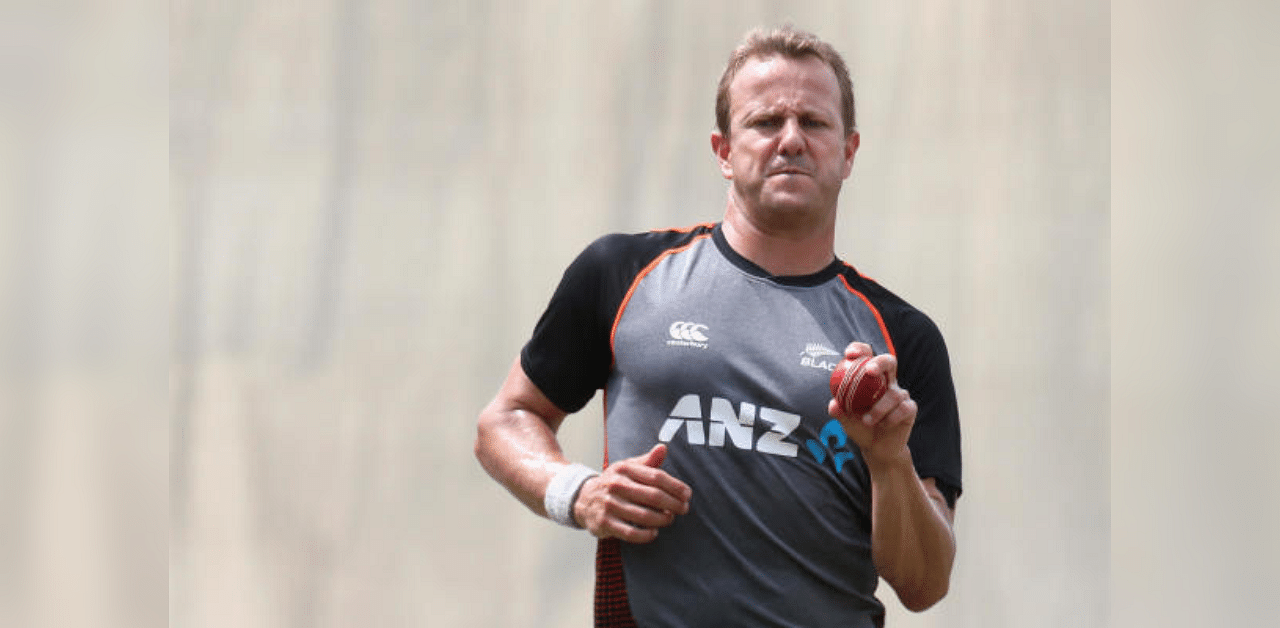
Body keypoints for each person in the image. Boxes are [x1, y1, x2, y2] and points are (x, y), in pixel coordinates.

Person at [475, 26, 961, 628]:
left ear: (849, 152)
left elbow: (924, 584)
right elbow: (506, 420)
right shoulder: (621, 274)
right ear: (724, 151)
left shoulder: (900, 337)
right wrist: (576, 492)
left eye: (813, 122)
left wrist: (890, 462)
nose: (790, 141)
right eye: (764, 123)